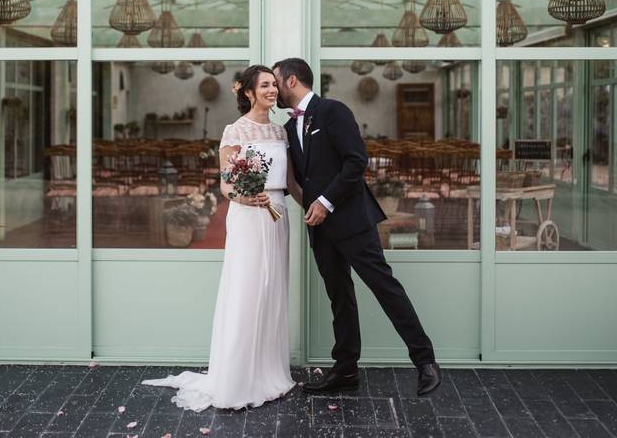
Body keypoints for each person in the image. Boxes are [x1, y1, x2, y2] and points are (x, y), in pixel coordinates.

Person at [272, 57, 442, 397]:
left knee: (385, 288)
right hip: (319, 228)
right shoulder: (290, 128)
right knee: (340, 298)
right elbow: (300, 178)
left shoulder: (333, 111)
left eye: (275, 81)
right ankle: (346, 370)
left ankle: (425, 362)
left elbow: (356, 162)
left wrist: (324, 202)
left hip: (351, 221)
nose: (273, 89)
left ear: (291, 81)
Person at [141, 65, 300, 410]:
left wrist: (318, 207)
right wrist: (246, 196)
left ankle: (268, 371)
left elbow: (290, 182)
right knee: (247, 289)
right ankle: (238, 377)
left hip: (276, 213)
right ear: (248, 93)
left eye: (274, 84)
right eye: (265, 85)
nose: (273, 90)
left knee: (272, 289)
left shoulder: (280, 131)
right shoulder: (235, 131)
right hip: (247, 214)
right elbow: (226, 184)